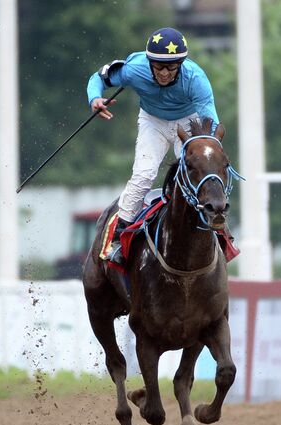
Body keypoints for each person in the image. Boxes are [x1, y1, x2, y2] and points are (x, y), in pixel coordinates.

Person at [87, 27, 220, 265]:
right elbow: (99, 78)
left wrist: (208, 151)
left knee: (198, 175)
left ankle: (218, 233)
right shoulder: (134, 68)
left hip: (187, 122)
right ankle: (119, 237)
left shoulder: (196, 79)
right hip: (152, 121)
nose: (165, 73)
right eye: (159, 67)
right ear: (149, 62)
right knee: (144, 175)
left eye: (171, 67)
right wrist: (95, 98)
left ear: (181, 64)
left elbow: (209, 123)